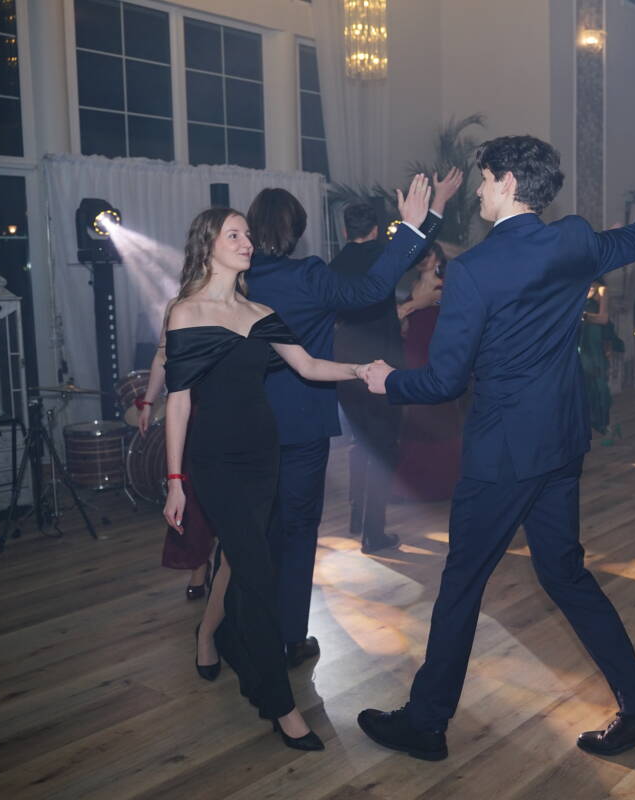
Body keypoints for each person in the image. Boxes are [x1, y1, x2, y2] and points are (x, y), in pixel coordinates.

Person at [355, 91, 635, 763]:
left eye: (484, 180)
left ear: (506, 182)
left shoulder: (475, 271)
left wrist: (388, 382)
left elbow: (444, 381)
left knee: (461, 585)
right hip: (560, 443)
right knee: (565, 576)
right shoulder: (574, 241)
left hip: (503, 453)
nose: (480, 190)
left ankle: (426, 723)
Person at [161, 207, 381, 750]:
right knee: (259, 573)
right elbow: (179, 401)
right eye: (233, 234)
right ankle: (280, 705)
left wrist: (360, 370)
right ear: (208, 245)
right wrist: (175, 480)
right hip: (216, 462)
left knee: (247, 564)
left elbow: (308, 366)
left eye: (248, 235)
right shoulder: (185, 312)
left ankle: (220, 637)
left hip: (264, 457)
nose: (247, 243)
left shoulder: (260, 312)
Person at [243, 172, 456, 666]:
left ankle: (247, 631)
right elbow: (373, 288)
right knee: (298, 528)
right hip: (301, 418)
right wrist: (416, 225)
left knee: (254, 530)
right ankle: (290, 637)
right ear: (297, 231)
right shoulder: (306, 275)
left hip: (247, 419)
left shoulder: (240, 277)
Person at [329, 174, 464, 553]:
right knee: (384, 448)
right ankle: (374, 533)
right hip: (381, 367)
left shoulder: (332, 265)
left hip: (342, 366)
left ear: (344, 231)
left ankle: (357, 516)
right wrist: (439, 200)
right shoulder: (383, 256)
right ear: (375, 230)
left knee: (360, 444)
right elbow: (421, 238)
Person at [138, 312, 214, 600]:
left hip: (226, 408)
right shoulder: (179, 307)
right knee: (192, 494)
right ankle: (199, 565)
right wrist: (148, 401)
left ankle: (224, 565)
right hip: (189, 409)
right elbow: (162, 357)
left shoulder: (239, 300)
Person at [393, 243, 462, 502]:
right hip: (413, 353)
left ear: (437, 257)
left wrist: (405, 309)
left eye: (428, 254)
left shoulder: (442, 287)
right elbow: (407, 322)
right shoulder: (412, 285)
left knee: (437, 415)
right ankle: (414, 481)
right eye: (420, 255)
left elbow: (431, 304)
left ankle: (440, 482)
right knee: (415, 416)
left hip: (435, 357)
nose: (423, 259)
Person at [579, 280, 623, 443]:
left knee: (600, 385)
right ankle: (589, 422)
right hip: (582, 340)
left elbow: (603, 319)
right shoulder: (579, 287)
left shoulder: (602, 290)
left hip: (595, 341)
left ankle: (604, 423)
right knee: (586, 384)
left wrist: (584, 316)